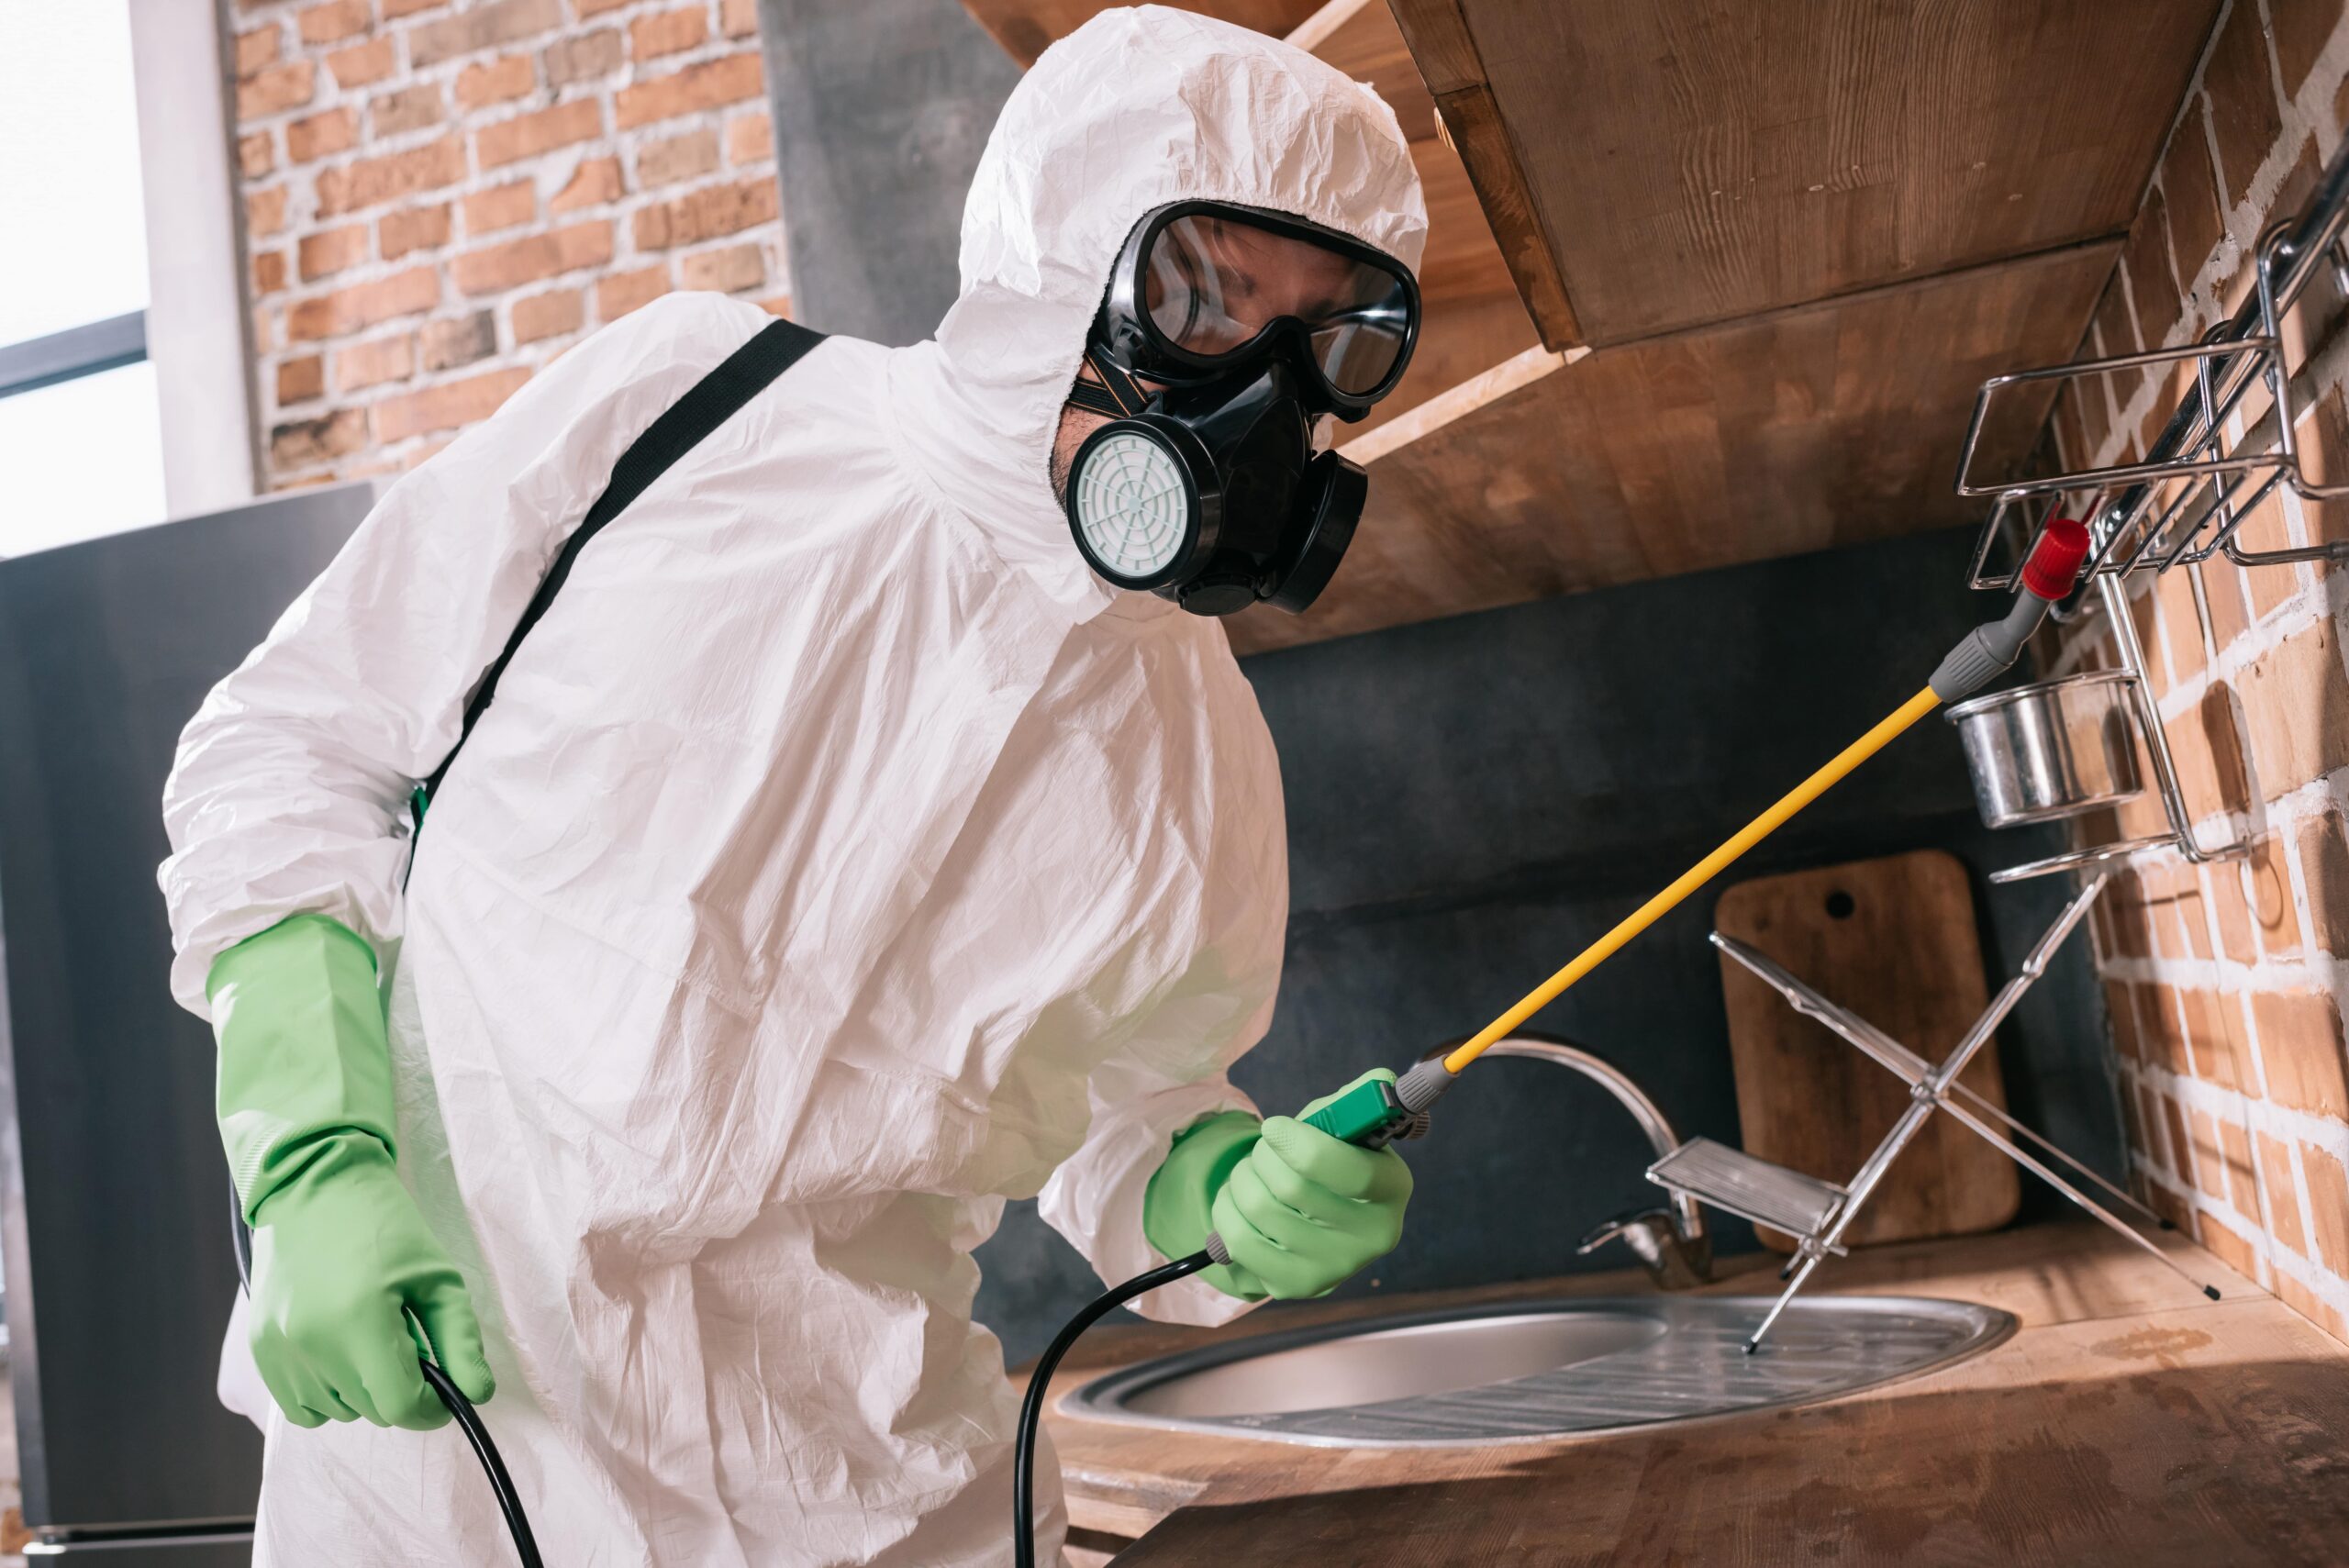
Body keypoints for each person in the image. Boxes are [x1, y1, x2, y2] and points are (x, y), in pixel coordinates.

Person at [161, 7, 1428, 1563]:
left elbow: (1132, 1110)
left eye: (1319, 346)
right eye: (1207, 297)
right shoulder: (689, 410)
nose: (1256, 399)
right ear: (1066, 247)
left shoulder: (1197, 748)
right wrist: (311, 1156)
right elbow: (294, 744)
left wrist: (1226, 1189)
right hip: (441, 1473)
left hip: (871, 1510)